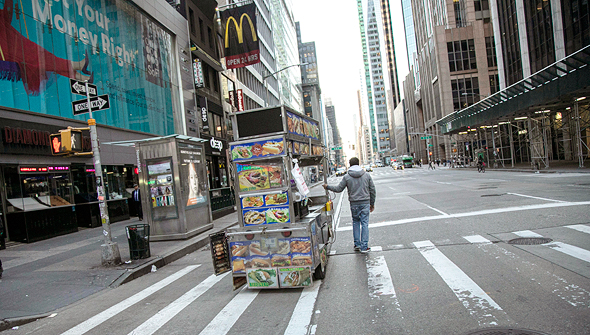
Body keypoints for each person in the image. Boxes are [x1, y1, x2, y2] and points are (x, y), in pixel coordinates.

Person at [323, 157, 376, 253]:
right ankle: (364, 247)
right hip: (365, 203)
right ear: (358, 164)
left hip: (354, 203)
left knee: (356, 222)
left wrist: (328, 187)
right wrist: (372, 203)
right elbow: (372, 190)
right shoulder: (366, 175)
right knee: (364, 224)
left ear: (350, 165)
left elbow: (339, 189)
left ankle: (357, 244)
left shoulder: (347, 177)